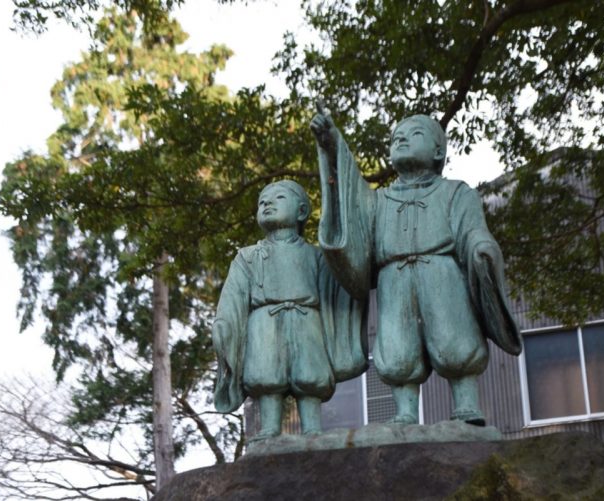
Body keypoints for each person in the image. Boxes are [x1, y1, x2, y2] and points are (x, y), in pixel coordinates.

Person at [311, 107, 521, 425]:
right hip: (393, 277)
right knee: (397, 346)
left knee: (455, 338)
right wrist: (332, 145)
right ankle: (405, 410)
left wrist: (481, 248)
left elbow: (473, 231)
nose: (403, 141)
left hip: (443, 272)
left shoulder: (456, 192)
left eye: (415, 135)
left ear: (439, 151)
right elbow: (349, 201)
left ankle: (466, 404)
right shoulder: (377, 200)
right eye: (397, 138)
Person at [212, 180, 367, 439]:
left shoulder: (317, 255)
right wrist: (224, 323)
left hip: (307, 319)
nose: (267, 204)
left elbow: (339, 286)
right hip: (264, 321)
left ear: (302, 211)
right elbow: (233, 295)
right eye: (262, 202)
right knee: (266, 376)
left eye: (279, 198)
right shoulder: (247, 256)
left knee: (309, 375)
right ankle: (270, 428)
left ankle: (313, 429)